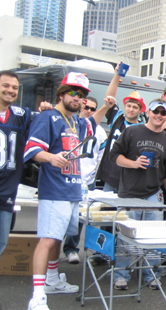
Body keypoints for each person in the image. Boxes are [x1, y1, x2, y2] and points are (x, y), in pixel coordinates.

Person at [23, 72, 114, 310]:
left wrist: (114, 83)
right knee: (47, 239)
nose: (78, 98)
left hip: (73, 191)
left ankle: (52, 280)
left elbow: (97, 117)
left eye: (82, 95)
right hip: (54, 191)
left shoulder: (76, 122)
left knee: (57, 238)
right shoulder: (48, 117)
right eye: (73, 92)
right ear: (61, 93)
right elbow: (32, 149)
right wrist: (50, 157)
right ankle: (37, 297)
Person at [110, 99, 166, 290]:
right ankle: (121, 275)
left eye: (163, 113)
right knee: (125, 236)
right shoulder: (131, 131)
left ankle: (151, 274)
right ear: (148, 112)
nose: (159, 115)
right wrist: (134, 163)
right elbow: (114, 156)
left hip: (154, 194)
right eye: (156, 111)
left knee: (152, 237)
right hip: (129, 193)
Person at [0, 71, 36, 310]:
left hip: (5, 189)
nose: (10, 90)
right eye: (6, 86)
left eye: (15, 88)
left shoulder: (20, 115)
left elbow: (46, 120)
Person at [62, 97, 107, 264]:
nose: (89, 110)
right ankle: (60, 249)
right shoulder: (69, 124)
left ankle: (73, 248)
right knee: (63, 217)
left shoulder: (100, 132)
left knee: (82, 218)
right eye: (86, 107)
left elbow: (100, 157)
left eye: (93, 109)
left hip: (87, 181)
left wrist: (92, 178)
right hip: (67, 179)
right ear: (80, 107)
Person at [97, 63, 147, 194]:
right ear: (124, 106)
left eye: (135, 107)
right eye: (129, 106)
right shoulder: (117, 119)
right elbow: (110, 99)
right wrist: (117, 75)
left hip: (128, 177)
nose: (131, 109)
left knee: (123, 212)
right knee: (106, 209)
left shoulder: (143, 129)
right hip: (110, 174)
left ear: (140, 110)